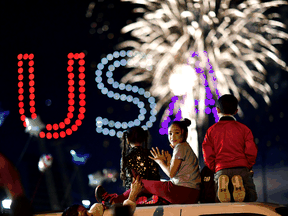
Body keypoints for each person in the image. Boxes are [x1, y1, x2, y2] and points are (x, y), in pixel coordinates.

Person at [96, 118, 201, 205]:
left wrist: (160, 161)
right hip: (191, 194)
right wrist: (168, 161)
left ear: (185, 134)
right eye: (170, 134)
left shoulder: (180, 147)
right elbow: (178, 175)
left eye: (176, 133)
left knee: (141, 183)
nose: (172, 137)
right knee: (151, 184)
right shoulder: (185, 148)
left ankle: (115, 200)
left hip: (182, 192)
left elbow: (171, 174)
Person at [202, 94, 258, 203]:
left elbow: (207, 153)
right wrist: (248, 165)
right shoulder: (244, 129)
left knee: (222, 202)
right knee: (250, 198)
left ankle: (223, 184)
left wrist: (215, 167)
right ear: (236, 111)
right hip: (242, 167)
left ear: (217, 110)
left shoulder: (211, 130)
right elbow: (251, 150)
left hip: (221, 169)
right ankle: (239, 186)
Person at [62, 176, 143, 216]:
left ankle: (110, 202)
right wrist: (133, 193)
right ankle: (111, 202)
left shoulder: (95, 208)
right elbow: (125, 213)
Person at [119, 126, 160, 191]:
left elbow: (128, 183)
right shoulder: (151, 155)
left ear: (127, 140)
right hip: (151, 195)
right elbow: (156, 178)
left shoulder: (125, 157)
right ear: (144, 139)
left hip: (132, 196)